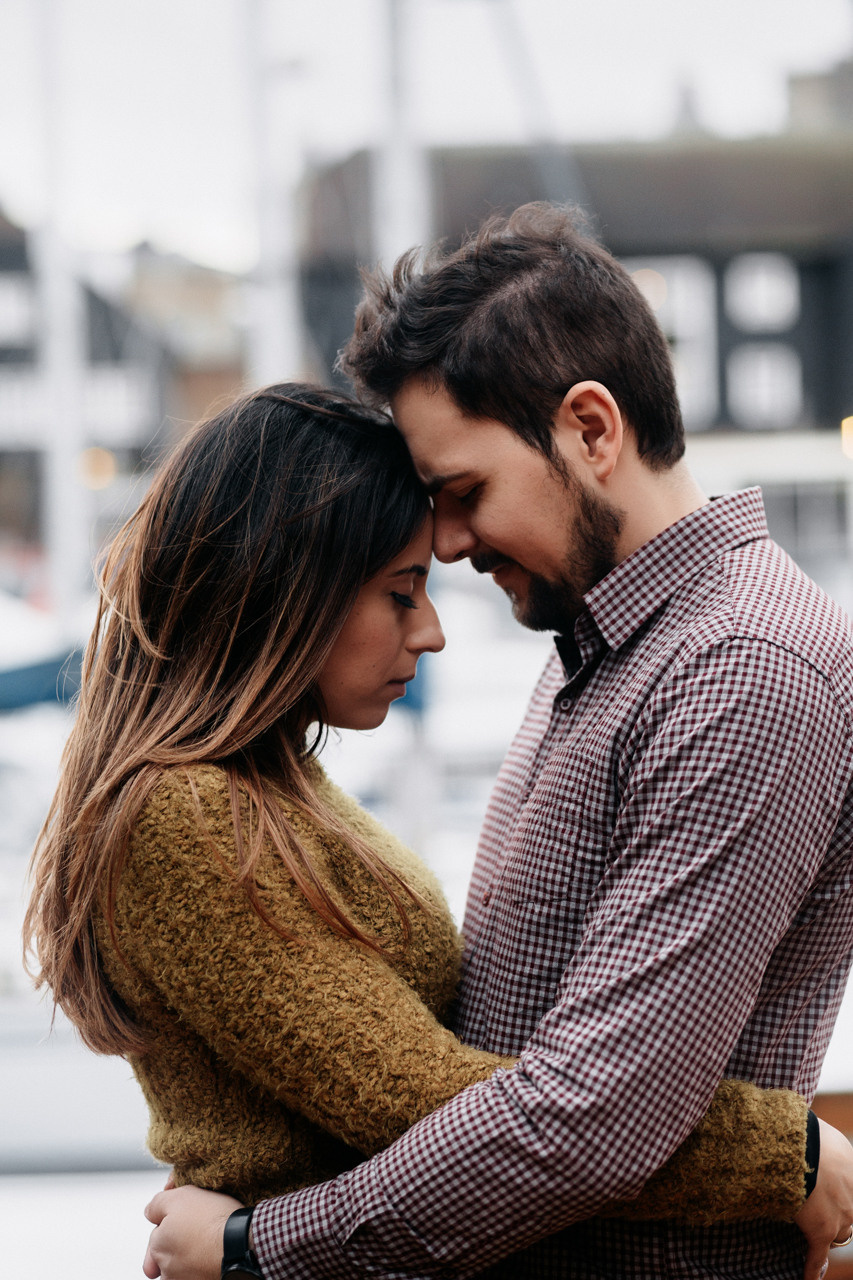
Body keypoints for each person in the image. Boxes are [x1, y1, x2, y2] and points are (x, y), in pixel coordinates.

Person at [142, 207, 853, 1280]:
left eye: (463, 493)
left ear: (591, 428)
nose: (452, 541)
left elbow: (593, 1113)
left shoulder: (742, 667)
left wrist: (257, 1250)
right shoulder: (602, 638)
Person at [23, 385, 824, 1230]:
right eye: (402, 593)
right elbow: (421, 1101)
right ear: (286, 587)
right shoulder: (186, 815)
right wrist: (784, 1155)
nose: (432, 631)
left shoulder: (269, 782)